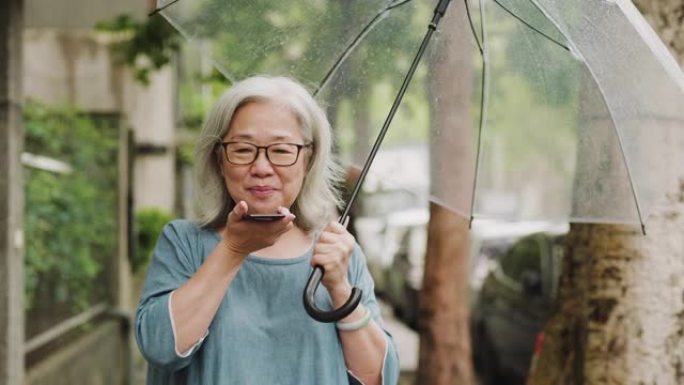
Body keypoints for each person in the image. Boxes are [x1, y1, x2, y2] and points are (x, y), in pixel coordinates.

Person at [135, 76, 400, 385]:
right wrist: (233, 250)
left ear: (308, 158)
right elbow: (159, 346)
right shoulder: (184, 243)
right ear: (219, 158)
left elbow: (378, 379)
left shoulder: (336, 252)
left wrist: (340, 288)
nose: (261, 167)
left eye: (282, 150)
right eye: (243, 149)